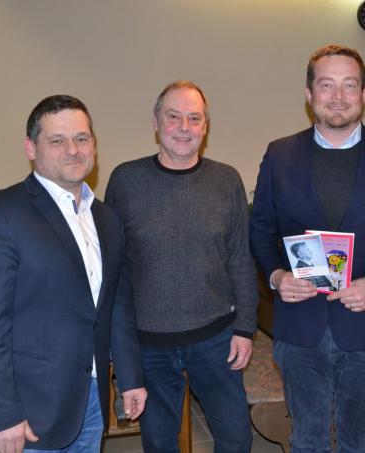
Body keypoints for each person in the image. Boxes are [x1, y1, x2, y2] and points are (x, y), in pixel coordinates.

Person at [249, 44, 365, 452]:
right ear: (309, 94)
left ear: (364, 93)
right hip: (299, 327)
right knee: (306, 440)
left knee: (356, 442)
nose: (339, 95)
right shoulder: (280, 154)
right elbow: (260, 229)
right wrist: (276, 277)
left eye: (350, 85)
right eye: (327, 85)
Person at [0, 95, 147, 453]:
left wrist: (131, 378)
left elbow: (116, 306)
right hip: (25, 414)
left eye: (82, 138)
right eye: (57, 140)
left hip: (90, 401)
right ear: (31, 147)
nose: (73, 150)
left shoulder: (106, 219)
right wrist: (0, 415)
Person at [105, 80, 258, 453]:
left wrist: (246, 328)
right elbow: (114, 270)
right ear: (156, 122)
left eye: (194, 118)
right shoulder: (125, 180)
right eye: (174, 117)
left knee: (237, 439)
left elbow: (240, 257)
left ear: (205, 127)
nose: (184, 127)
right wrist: (117, 342)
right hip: (149, 344)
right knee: (159, 443)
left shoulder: (226, 180)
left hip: (217, 338)